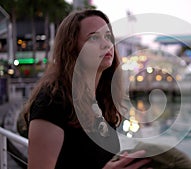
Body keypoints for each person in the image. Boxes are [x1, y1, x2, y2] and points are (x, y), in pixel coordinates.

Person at [22, 9, 151, 169]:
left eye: (108, 37)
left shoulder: (103, 100)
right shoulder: (52, 102)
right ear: (72, 49)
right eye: (94, 38)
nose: (106, 44)